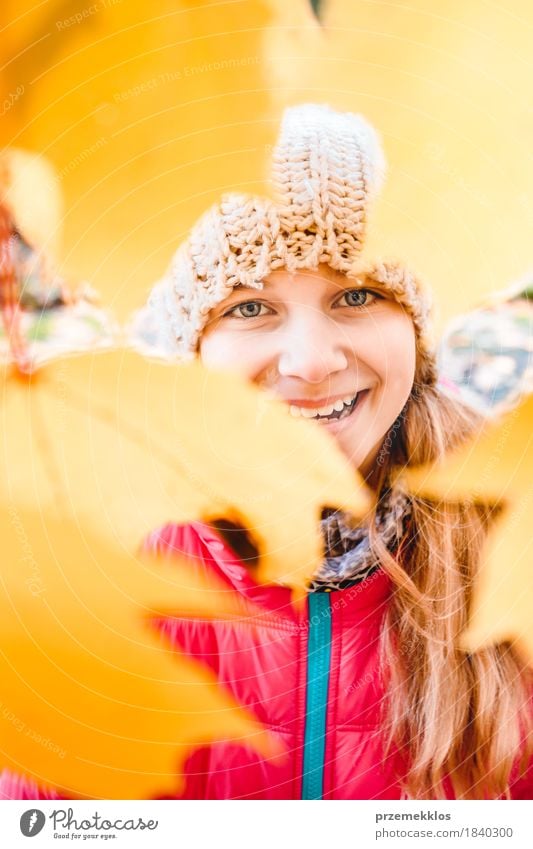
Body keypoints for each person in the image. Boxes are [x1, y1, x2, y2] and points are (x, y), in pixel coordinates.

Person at [143, 104, 532, 799]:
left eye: (355, 293)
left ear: (413, 333)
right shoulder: (109, 559)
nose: (311, 361)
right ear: (192, 349)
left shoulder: (511, 545)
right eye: (249, 306)